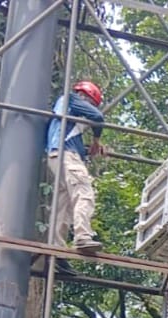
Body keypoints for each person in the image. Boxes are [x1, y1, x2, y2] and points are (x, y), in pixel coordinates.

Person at [43, 80, 106, 253]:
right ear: (83, 96)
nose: (90, 108)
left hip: (58, 156)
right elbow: (98, 117)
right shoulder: (71, 99)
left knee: (64, 206)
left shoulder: (68, 121)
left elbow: (73, 142)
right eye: (91, 104)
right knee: (83, 192)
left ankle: (56, 248)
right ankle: (83, 237)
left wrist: (90, 150)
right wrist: (96, 139)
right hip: (65, 155)